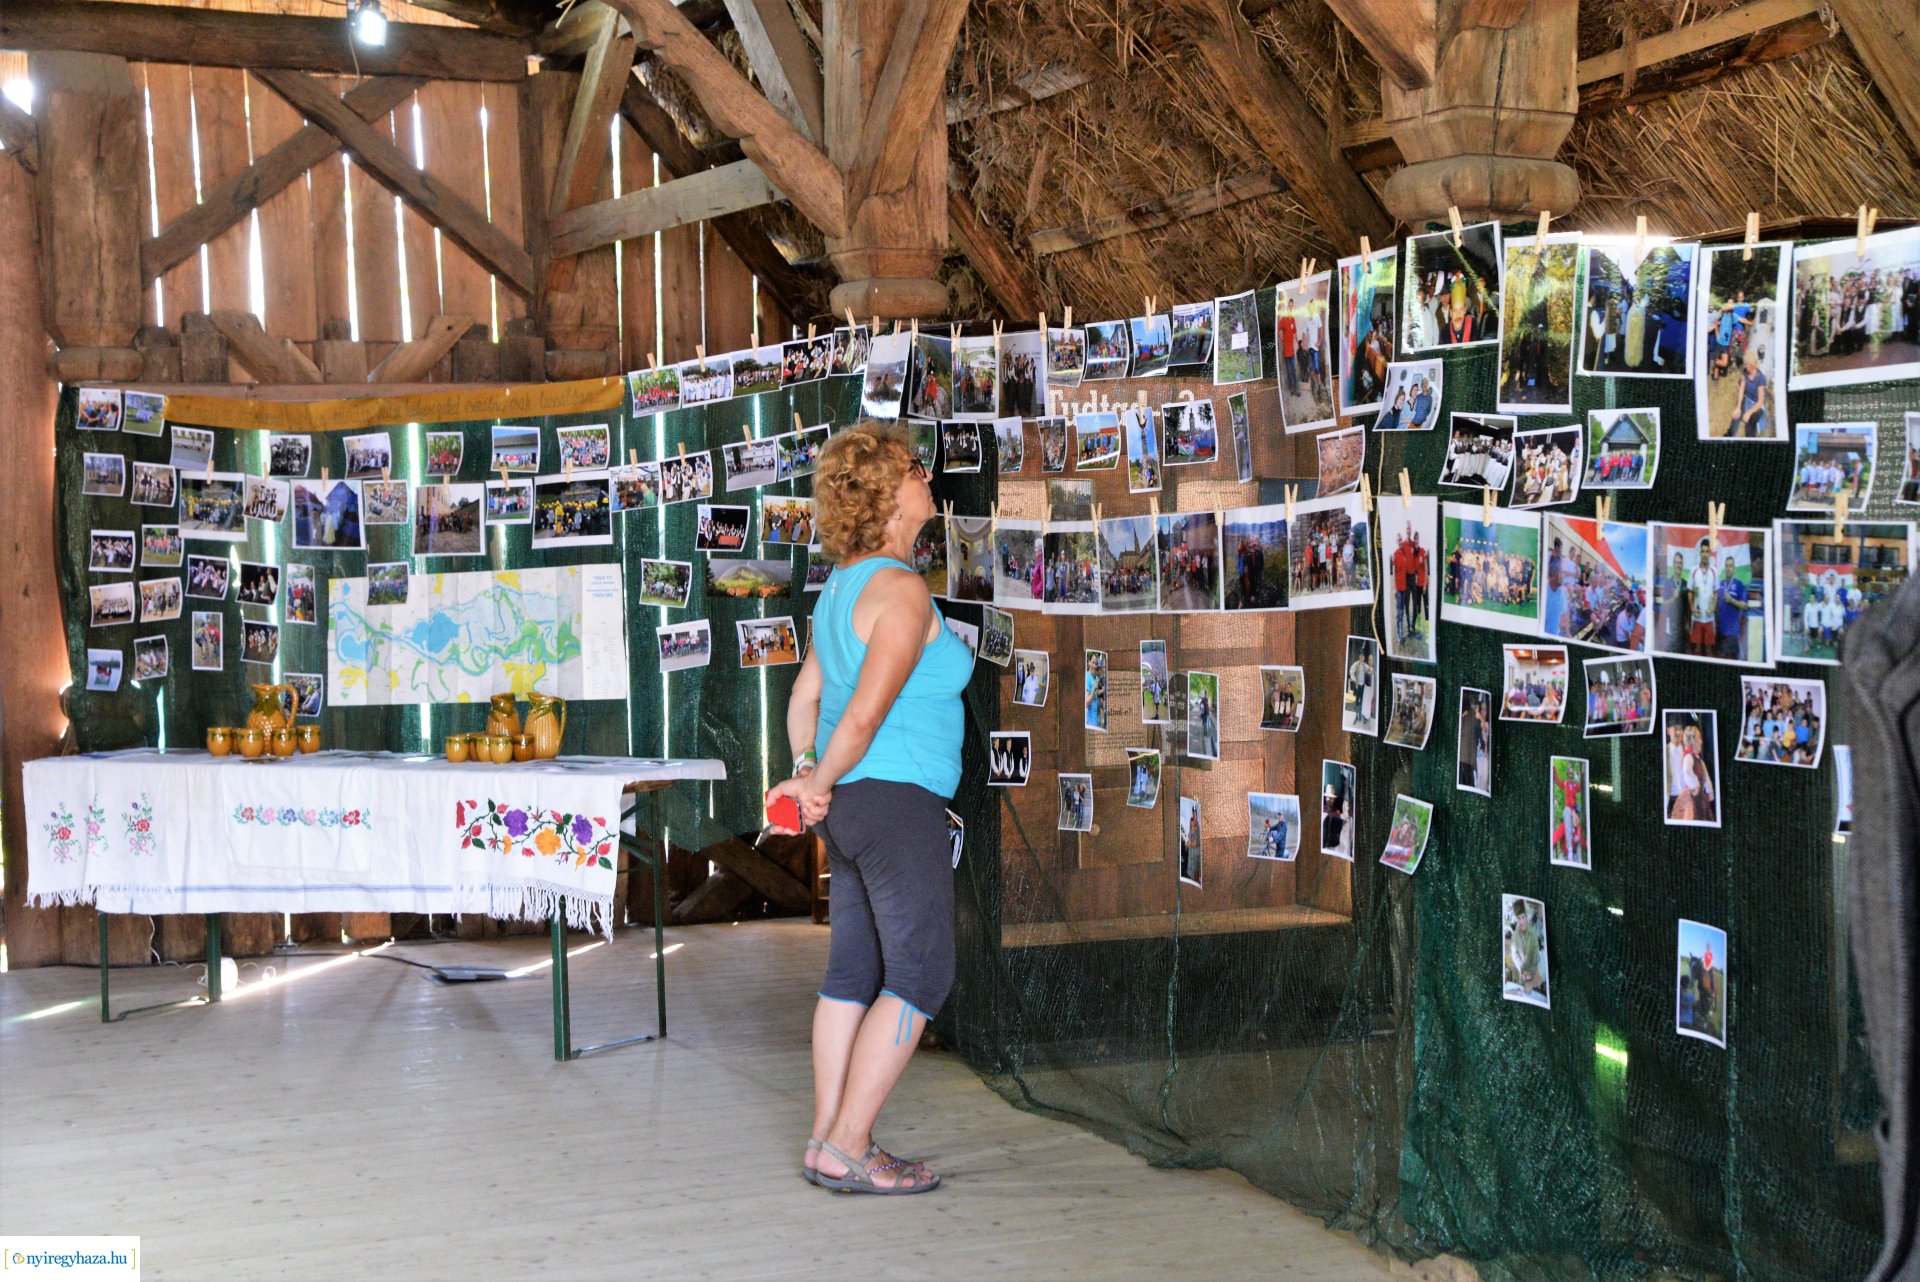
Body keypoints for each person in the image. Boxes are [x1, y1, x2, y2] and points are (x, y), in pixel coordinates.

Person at [767, 424, 972, 1196]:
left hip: (851, 806)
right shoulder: (902, 592)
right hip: (894, 801)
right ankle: (853, 1144)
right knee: (921, 971)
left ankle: (826, 1140)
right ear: (889, 498)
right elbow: (862, 718)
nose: (929, 478)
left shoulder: (843, 587)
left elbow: (805, 699)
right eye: (917, 469)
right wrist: (817, 778)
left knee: (854, 969)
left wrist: (809, 778)